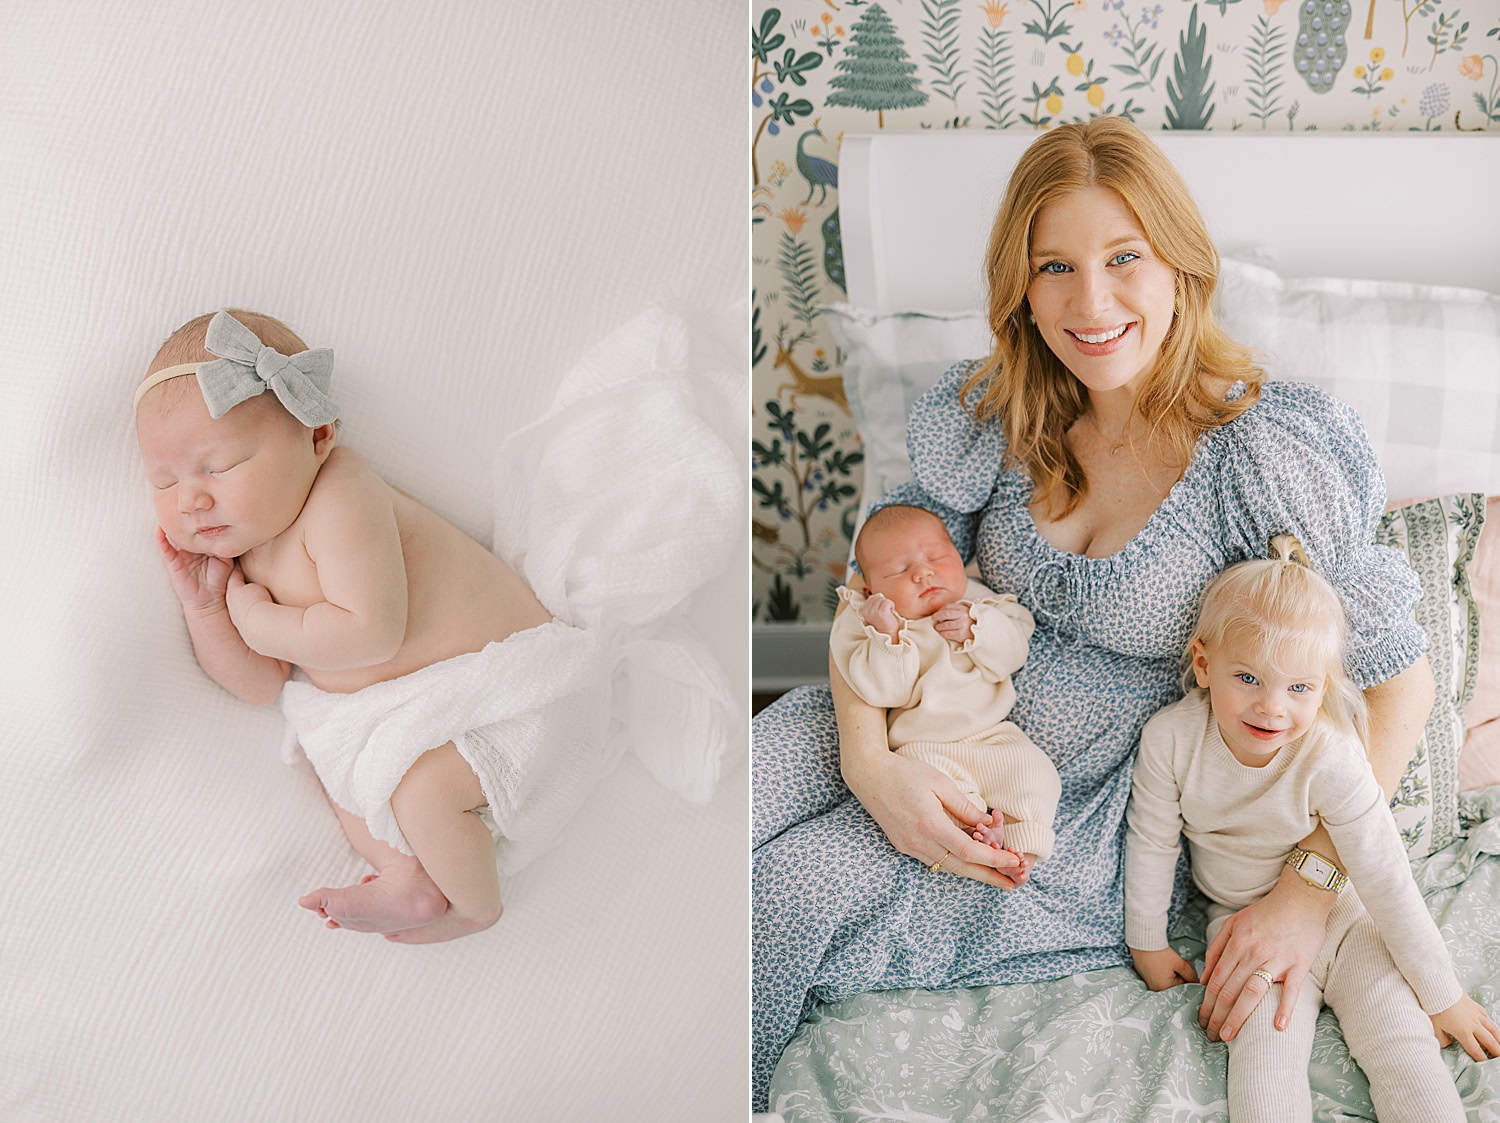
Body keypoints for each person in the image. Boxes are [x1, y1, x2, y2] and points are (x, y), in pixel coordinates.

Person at [750, 116, 1436, 1110]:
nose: (1092, 300)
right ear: (1021, 289)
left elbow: (1401, 690)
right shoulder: (995, 416)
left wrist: (1307, 889)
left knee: (785, 892)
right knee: (720, 808)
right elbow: (877, 592)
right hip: (913, 708)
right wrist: (868, 756)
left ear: (1181, 269)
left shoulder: (1263, 454)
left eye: (1125, 258)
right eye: (1055, 267)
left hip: (1068, 798)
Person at [136, 308, 604, 945]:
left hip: (513, 697)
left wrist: (257, 618)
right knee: (333, 763)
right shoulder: (242, 557)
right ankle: (406, 876)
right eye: (164, 481)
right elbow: (258, 686)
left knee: (419, 791)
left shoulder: (340, 494)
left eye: (221, 465)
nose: (190, 498)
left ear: (317, 434)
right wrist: (208, 610)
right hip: (413, 717)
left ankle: (474, 906)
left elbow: (371, 632)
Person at [1125, 536, 1497, 1121]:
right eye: (1247, 678)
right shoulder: (1171, 740)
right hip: (1243, 926)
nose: (1272, 707)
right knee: (1263, 1066)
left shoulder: (1330, 752)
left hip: (1349, 918)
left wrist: (1443, 994)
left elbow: (1385, 874)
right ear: (1203, 663)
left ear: (1323, 687)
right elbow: (1150, 839)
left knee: (1402, 1042)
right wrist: (1147, 942)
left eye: (1298, 687)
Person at [831, 504, 1059, 868]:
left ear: (957, 556)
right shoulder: (874, 628)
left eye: (936, 556)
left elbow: (1014, 650)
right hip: (924, 747)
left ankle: (1021, 845)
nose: (923, 572)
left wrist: (979, 628)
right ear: (871, 589)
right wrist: (888, 639)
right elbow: (882, 691)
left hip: (993, 736)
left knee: (1036, 774)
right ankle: (978, 835)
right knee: (935, 795)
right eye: (900, 570)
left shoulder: (981, 603)